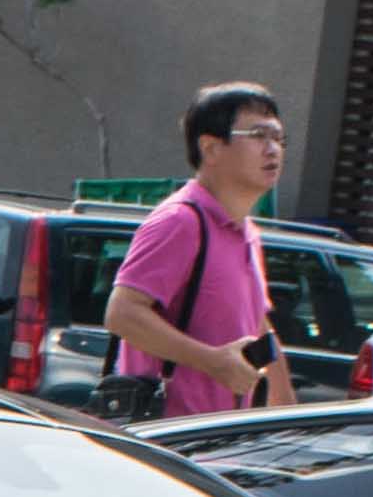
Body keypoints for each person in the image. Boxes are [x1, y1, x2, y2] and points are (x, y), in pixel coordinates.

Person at [99, 82, 296, 419]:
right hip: (166, 440)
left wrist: (286, 411)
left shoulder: (247, 232)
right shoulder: (180, 221)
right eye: (258, 135)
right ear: (211, 148)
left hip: (220, 442)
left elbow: (256, 325)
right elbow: (122, 314)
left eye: (278, 138)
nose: (273, 149)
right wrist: (212, 361)